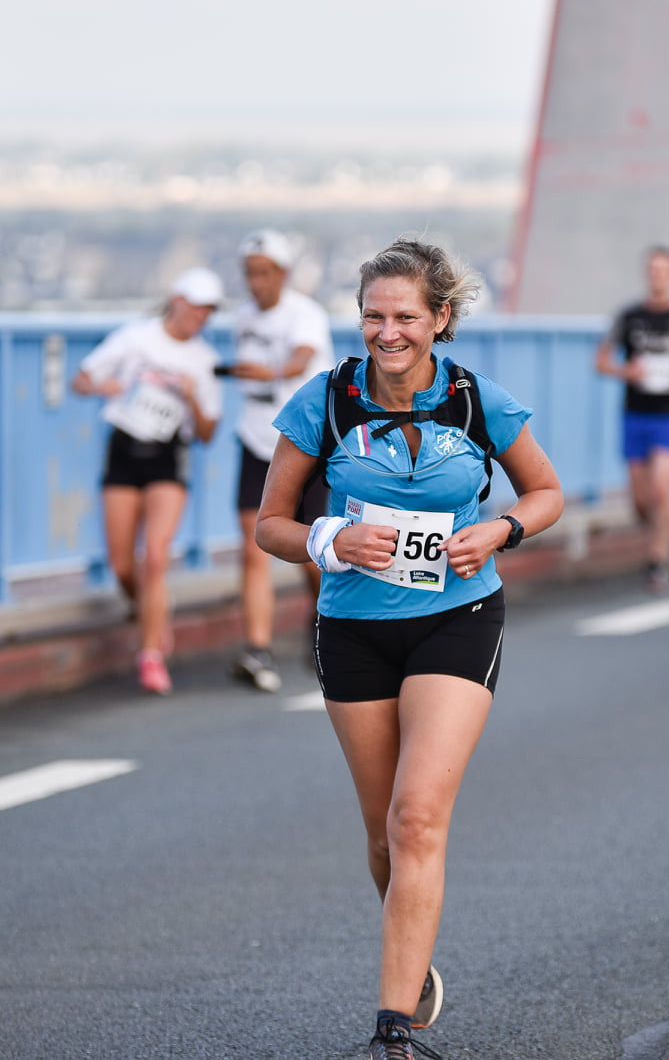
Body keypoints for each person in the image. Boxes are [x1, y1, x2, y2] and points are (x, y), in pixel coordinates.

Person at [254, 238, 563, 1059]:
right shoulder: (326, 400)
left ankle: (392, 1028)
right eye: (372, 316)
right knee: (383, 833)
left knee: (418, 814)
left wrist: (501, 528)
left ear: (440, 319)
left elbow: (547, 491)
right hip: (355, 628)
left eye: (404, 317)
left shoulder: (475, 399)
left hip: (456, 616)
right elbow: (270, 523)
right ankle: (413, 954)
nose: (387, 332)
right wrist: (330, 538)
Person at [73, 268, 224, 695]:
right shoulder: (136, 337)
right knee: (122, 565)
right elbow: (81, 379)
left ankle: (150, 655)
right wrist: (103, 386)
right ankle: (154, 615)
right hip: (124, 450)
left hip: (168, 457)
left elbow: (209, 432)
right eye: (195, 307)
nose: (200, 317)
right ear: (176, 301)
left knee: (155, 557)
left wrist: (191, 396)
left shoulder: (204, 359)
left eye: (208, 311)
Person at [229, 230, 335, 691]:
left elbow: (300, 359)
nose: (256, 283)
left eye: (264, 273)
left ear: (283, 274)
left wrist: (269, 372)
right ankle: (258, 648)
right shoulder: (241, 318)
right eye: (249, 273)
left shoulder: (305, 314)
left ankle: (326, 621)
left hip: (305, 445)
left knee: (310, 550)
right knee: (252, 547)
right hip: (256, 441)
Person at [595, 246, 669, 591]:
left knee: (661, 488)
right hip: (636, 414)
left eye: (664, 271)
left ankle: (659, 557)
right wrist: (624, 371)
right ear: (647, 274)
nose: (658, 276)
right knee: (641, 501)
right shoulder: (630, 316)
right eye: (653, 270)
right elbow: (601, 361)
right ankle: (663, 530)